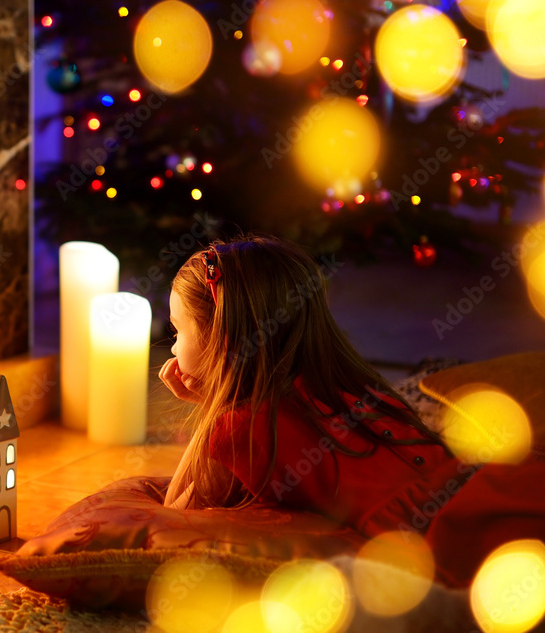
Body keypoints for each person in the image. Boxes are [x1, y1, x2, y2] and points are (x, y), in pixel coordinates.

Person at [159, 234, 545, 586]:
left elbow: (173, 513)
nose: (173, 348)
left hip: (454, 528)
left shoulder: (239, 426)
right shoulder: (344, 381)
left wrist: (213, 405)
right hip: (494, 479)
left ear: (222, 337)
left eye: (178, 331)